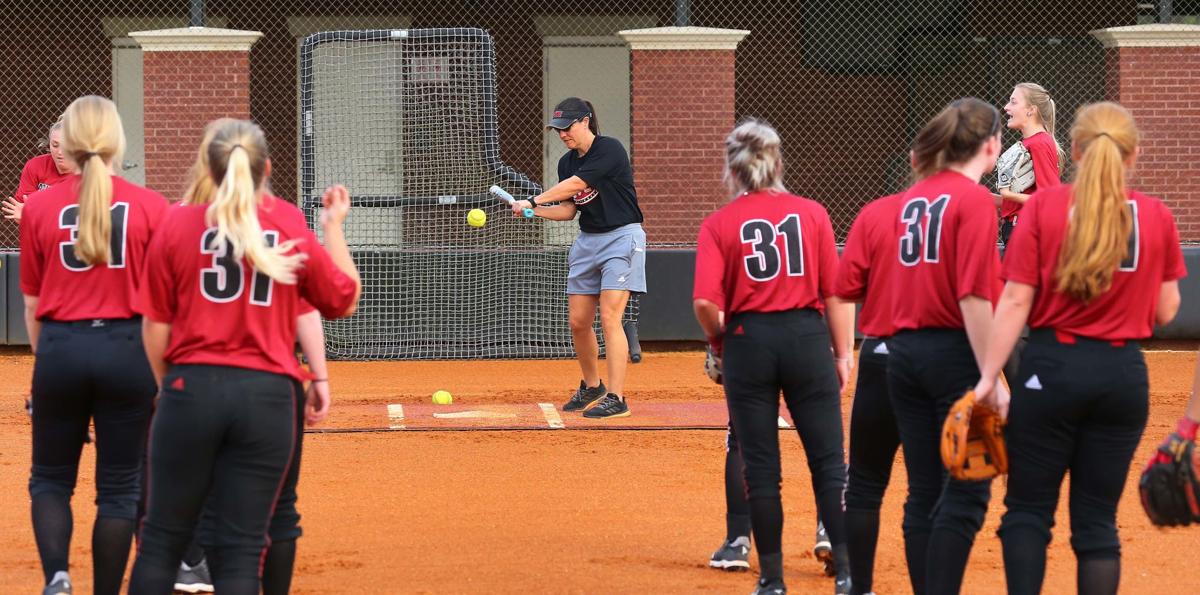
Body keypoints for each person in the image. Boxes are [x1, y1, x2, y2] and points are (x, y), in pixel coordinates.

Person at [127, 119, 361, 594]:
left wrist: (169, 385)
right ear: (267, 168)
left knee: (161, 543)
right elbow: (343, 299)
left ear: (208, 171)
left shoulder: (178, 221)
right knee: (241, 550)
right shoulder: (287, 221)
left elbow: (155, 325)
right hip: (268, 396)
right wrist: (332, 228)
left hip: (191, 387)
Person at [974, 101, 1184, 594]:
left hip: (1052, 369)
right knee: (1096, 525)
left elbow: (1015, 303)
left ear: (1073, 150)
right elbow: (1167, 311)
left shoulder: (1046, 207)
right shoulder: (1153, 214)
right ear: (1132, 157)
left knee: (1027, 512)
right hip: (1121, 375)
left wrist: (986, 377)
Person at [693, 119, 855, 595]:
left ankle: (772, 578)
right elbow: (837, 294)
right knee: (828, 461)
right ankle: (846, 570)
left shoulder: (719, 223)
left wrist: (721, 341)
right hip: (807, 337)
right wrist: (843, 354)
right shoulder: (811, 213)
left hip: (749, 339)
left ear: (732, 169)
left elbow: (705, 302)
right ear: (778, 163)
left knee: (761, 466)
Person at [20, 95, 169, 595]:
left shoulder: (39, 205)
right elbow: (158, 310)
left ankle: (58, 580)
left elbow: (31, 306)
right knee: (120, 489)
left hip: (61, 345)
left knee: (50, 480)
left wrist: (50, 363)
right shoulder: (151, 205)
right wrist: (159, 374)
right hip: (128, 350)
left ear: (71, 143)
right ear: (115, 141)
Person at [885, 97, 1006, 595]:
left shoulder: (912, 197)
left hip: (903, 356)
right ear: (992, 146)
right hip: (954, 352)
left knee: (924, 490)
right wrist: (991, 377)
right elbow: (974, 296)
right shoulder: (974, 199)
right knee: (968, 490)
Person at [512, 97, 645, 419]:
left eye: (567, 127)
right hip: (588, 241)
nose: (562, 135)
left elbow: (577, 185)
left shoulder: (609, 149)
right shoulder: (566, 162)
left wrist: (532, 197)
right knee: (578, 322)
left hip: (622, 238)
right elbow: (570, 209)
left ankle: (617, 397)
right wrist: (533, 210)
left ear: (585, 121)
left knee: (610, 317)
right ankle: (592, 385)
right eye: (557, 130)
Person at [833, 192, 904, 595]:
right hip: (937, 355)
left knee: (864, 481)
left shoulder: (876, 211)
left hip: (879, 350)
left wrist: (844, 354)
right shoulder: (970, 208)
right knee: (929, 488)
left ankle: (857, 587)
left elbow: (845, 288)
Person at [996, 83, 1063, 244]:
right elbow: (1026, 199)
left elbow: (1049, 199)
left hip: (1026, 230)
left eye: (1013, 102)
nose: (1006, 107)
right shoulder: (1031, 142)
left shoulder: (1039, 143)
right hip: (1018, 227)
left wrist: (1008, 194)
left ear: (1031, 110)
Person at [4, 119, 75, 223]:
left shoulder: (89, 171)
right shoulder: (36, 166)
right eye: (55, 145)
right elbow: (21, 214)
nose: (60, 152)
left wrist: (35, 213)